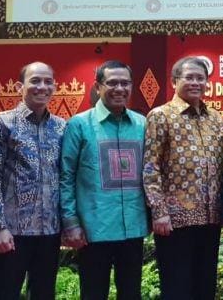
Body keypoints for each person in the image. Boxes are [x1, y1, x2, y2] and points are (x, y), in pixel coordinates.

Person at [60, 60, 148, 300]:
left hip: (133, 225)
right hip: (93, 229)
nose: (119, 88)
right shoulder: (79, 124)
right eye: (112, 83)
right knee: (93, 293)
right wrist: (71, 222)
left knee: (131, 293)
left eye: (125, 83)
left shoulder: (142, 124)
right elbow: (66, 175)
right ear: (98, 86)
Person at [143, 57, 223, 300]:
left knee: (205, 286)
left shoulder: (214, 117)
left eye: (200, 78)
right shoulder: (160, 116)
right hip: (174, 220)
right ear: (174, 81)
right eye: (189, 77)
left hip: (210, 217)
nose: (195, 82)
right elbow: (150, 166)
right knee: (177, 287)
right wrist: (158, 210)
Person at [0, 62, 66, 300]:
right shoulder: (3, 123)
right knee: (3, 293)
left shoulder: (62, 127)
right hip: (12, 231)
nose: (42, 87)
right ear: (20, 86)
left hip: (49, 231)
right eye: (35, 81)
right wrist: (0, 226)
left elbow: (65, 177)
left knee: (44, 294)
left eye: (48, 81)